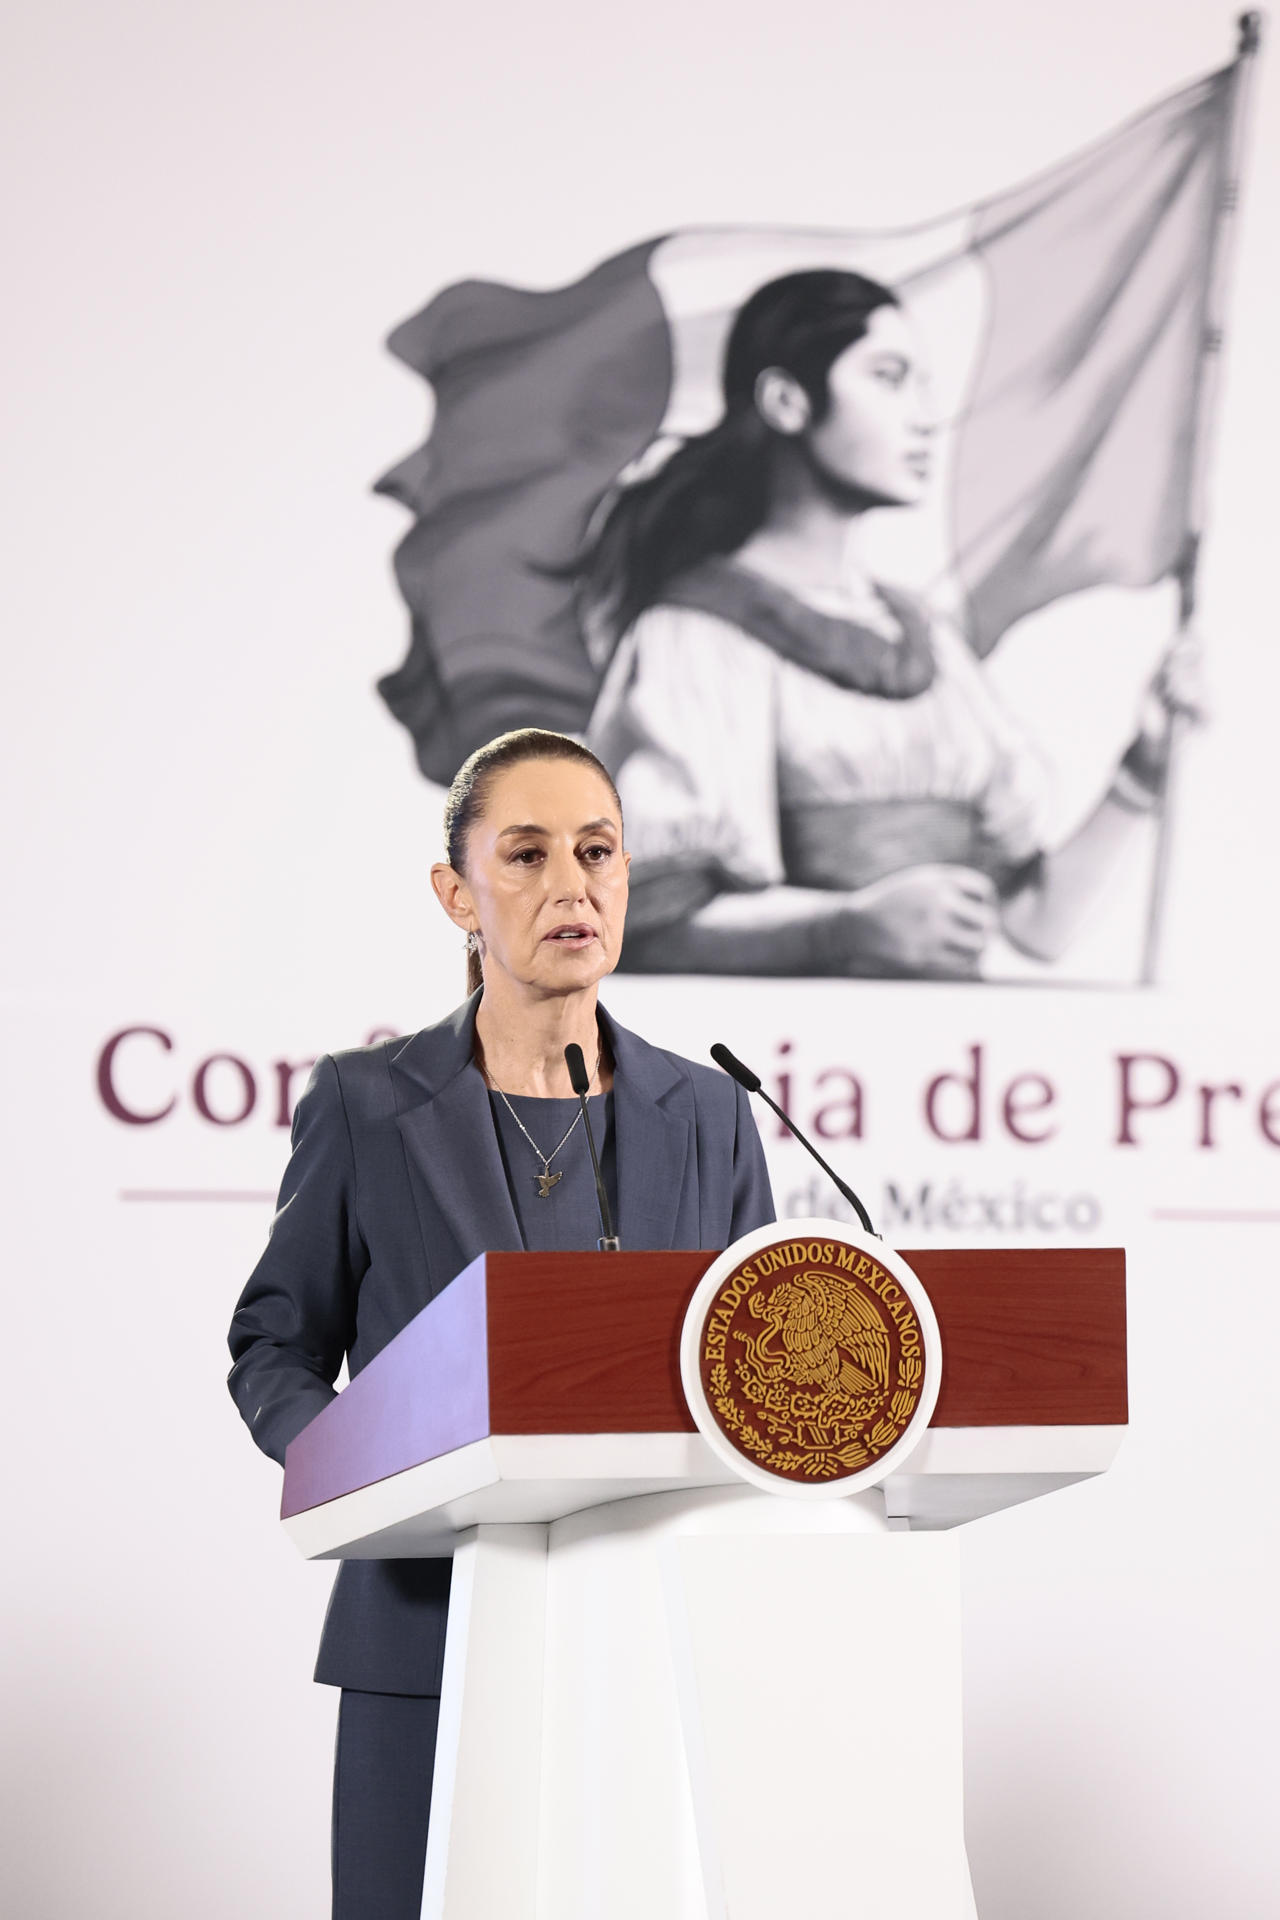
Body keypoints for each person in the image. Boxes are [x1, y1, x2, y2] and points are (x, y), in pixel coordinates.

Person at [226, 727, 775, 1919]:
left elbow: (756, 1375)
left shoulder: (711, 1115)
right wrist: (353, 1467)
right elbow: (274, 1346)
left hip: (650, 1641)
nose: (571, 886)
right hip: (426, 1632)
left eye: (597, 852)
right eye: (525, 856)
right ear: (456, 894)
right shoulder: (366, 1106)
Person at [582, 268, 1197, 978]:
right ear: (786, 400)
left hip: (940, 1072)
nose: (924, 416)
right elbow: (650, 923)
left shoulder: (928, 641)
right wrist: (846, 928)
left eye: (922, 384)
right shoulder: (696, 636)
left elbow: (1036, 925)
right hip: (788, 1066)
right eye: (889, 376)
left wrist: (1142, 772)